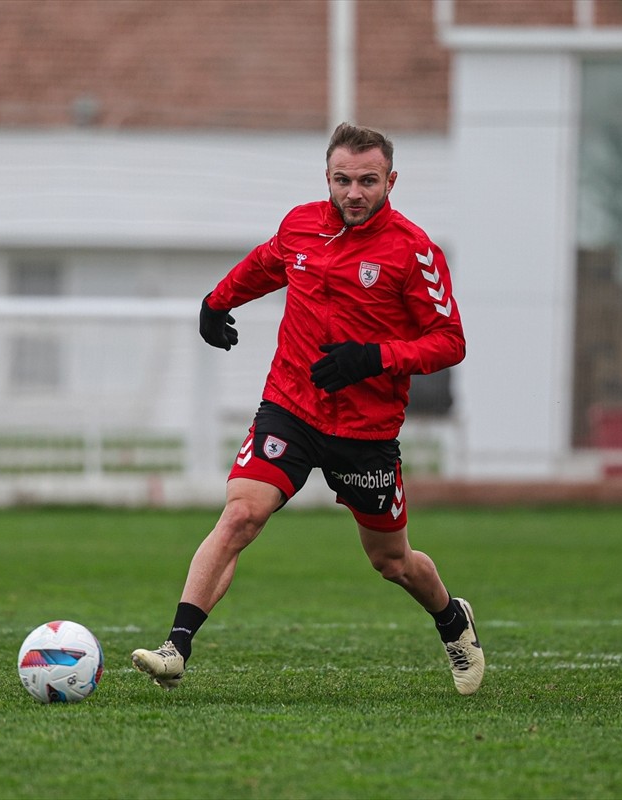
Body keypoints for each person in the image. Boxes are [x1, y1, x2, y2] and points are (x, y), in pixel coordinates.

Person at [132, 123, 484, 696]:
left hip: (365, 431)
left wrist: (373, 357)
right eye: (342, 180)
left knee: (391, 561)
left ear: (391, 181)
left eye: (368, 181)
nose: (353, 193)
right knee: (242, 514)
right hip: (289, 406)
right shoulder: (301, 224)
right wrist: (216, 301)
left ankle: (451, 618)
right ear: (327, 177)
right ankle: (177, 646)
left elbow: (450, 341)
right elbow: (267, 264)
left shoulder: (415, 251)